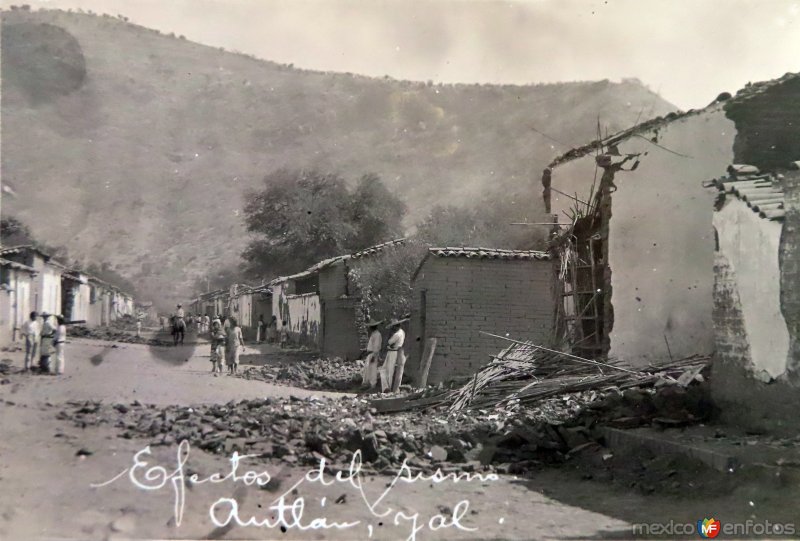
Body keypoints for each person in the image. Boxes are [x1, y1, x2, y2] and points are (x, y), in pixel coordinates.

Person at [381, 318, 407, 393]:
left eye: (394, 327)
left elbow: (389, 342)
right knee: (384, 369)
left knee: (389, 370)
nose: (393, 328)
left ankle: (388, 387)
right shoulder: (402, 332)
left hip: (393, 352)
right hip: (393, 351)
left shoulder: (397, 334)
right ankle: (386, 387)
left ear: (396, 326)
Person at [361, 320, 383, 389]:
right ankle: (367, 384)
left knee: (373, 369)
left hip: (373, 354)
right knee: (367, 369)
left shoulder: (377, 335)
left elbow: (376, 346)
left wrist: (374, 355)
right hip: (370, 354)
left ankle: (373, 385)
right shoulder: (373, 334)